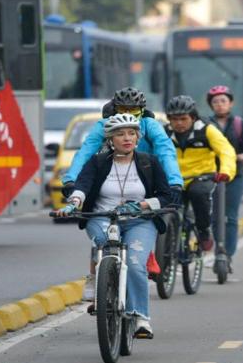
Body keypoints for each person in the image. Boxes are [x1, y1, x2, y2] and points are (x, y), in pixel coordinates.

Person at [54, 113, 175, 338]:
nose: (127, 138)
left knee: (136, 263)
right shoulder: (98, 162)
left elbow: (167, 196)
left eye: (131, 133)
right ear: (110, 139)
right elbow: (82, 186)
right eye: (120, 134)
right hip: (102, 217)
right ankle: (103, 287)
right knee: (104, 243)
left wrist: (142, 205)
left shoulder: (149, 162)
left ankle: (140, 317)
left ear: (138, 138)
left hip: (139, 221)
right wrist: (73, 203)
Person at [61, 87, 183, 301]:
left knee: (150, 217)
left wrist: (174, 182)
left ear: (141, 111)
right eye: (123, 109)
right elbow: (86, 151)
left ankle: (148, 254)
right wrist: (71, 179)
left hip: (145, 175)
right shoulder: (104, 125)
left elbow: (165, 151)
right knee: (100, 230)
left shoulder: (151, 125)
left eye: (133, 109)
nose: (126, 136)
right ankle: (95, 274)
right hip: (113, 171)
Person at [164, 95, 236, 252]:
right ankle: (164, 246)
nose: (179, 123)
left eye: (183, 118)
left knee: (198, 194)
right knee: (164, 206)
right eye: (174, 119)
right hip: (174, 179)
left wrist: (225, 171)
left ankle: (204, 232)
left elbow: (226, 151)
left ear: (193, 117)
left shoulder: (207, 130)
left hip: (201, 176)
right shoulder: (163, 133)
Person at [206, 85, 243, 273]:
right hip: (212, 174)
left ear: (231, 103)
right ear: (211, 105)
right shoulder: (205, 124)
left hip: (236, 174)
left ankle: (228, 253)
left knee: (231, 216)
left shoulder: (240, 124)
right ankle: (218, 249)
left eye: (223, 101)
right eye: (215, 102)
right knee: (214, 215)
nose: (219, 105)